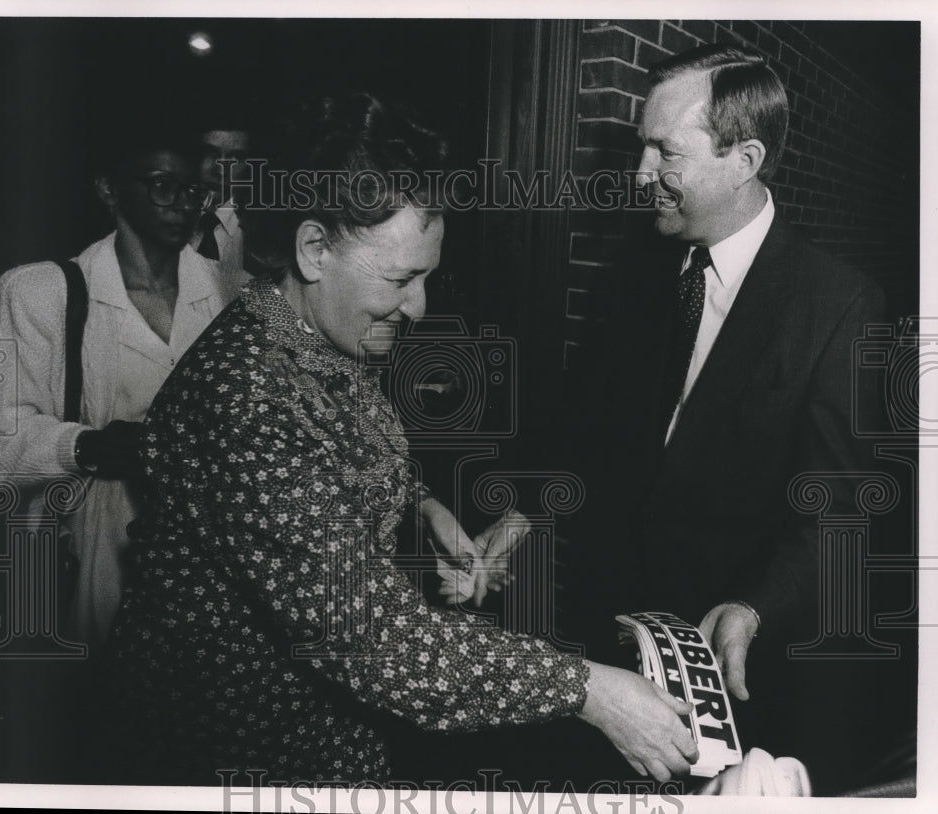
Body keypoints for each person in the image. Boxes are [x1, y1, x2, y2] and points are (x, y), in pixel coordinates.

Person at [101, 93, 698, 786]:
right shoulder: (247, 396)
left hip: (327, 730)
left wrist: (426, 509)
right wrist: (589, 689)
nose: (419, 305)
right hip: (243, 752)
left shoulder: (316, 336)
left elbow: (346, 449)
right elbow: (381, 645)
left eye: (427, 275)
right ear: (314, 248)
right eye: (402, 278)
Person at [563, 44, 884, 791]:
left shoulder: (839, 307)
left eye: (664, 151)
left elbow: (841, 515)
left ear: (744, 159)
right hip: (613, 649)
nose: (641, 175)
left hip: (736, 686)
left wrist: (756, 606)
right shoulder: (640, 265)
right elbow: (601, 431)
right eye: (642, 145)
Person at [0, 121, 231, 650]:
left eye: (194, 191)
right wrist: (87, 445)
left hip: (216, 559)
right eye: (162, 185)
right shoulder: (45, 291)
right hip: (104, 558)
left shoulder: (231, 294)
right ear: (110, 190)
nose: (183, 204)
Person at [191, 125, 254, 302]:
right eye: (210, 154)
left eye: (235, 158)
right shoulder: (157, 220)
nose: (220, 170)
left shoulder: (262, 233)